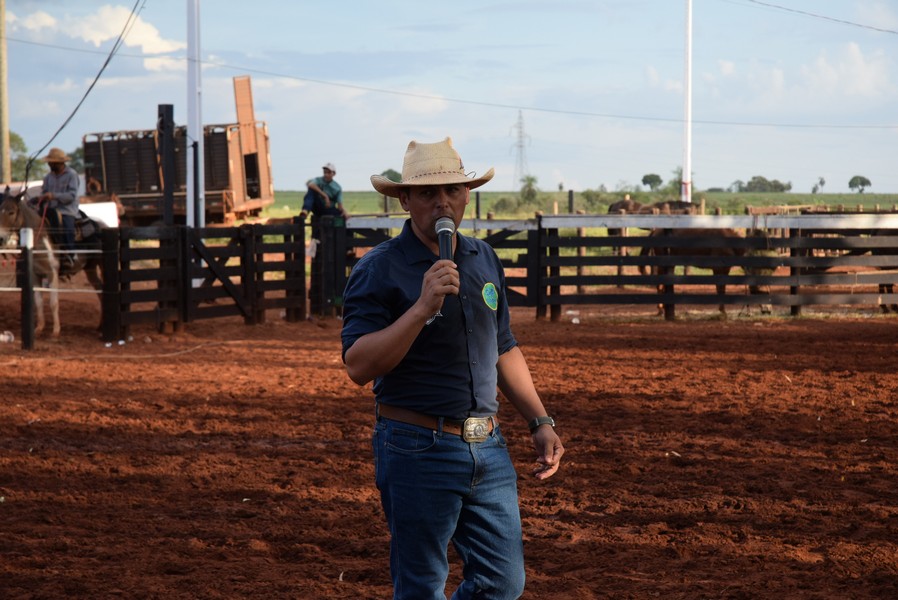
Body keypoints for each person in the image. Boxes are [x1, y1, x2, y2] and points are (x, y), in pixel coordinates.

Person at [341, 137, 564, 599]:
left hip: (489, 445)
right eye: (427, 193)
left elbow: (503, 346)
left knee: (504, 583)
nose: (442, 202)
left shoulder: (483, 257)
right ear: (405, 200)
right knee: (422, 585)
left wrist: (539, 420)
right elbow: (358, 365)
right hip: (416, 446)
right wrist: (422, 307)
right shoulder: (378, 269)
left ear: (466, 195)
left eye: (453, 191)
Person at [35, 147, 79, 273]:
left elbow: (72, 196)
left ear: (59, 163)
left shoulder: (71, 175)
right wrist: (42, 197)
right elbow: (44, 191)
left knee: (66, 227)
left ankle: (70, 255)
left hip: (67, 209)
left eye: (51, 162)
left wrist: (53, 196)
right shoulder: (48, 177)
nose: (49, 164)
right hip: (51, 209)